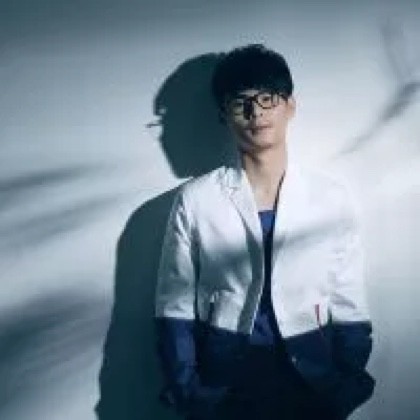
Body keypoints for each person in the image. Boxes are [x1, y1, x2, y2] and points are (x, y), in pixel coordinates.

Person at [154, 44, 375, 420]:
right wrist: (190, 390)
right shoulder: (196, 201)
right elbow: (173, 307)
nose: (254, 112)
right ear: (223, 115)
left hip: (312, 380)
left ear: (290, 106)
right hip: (225, 385)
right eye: (240, 102)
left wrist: (346, 382)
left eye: (267, 97)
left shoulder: (330, 197)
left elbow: (348, 297)